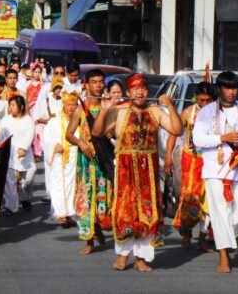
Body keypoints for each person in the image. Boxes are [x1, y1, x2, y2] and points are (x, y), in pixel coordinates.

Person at [92, 73, 183, 272]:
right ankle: (122, 256)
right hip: (125, 168)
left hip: (148, 171)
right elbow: (97, 133)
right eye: (135, 90)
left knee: (148, 212)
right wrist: (105, 110)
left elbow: (177, 130)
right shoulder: (119, 110)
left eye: (143, 89)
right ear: (128, 92)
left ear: (147, 91)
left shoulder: (156, 111)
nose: (140, 93)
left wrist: (170, 106)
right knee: (125, 211)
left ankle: (141, 258)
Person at [192, 71, 238, 273]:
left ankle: (228, 238)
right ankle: (223, 255)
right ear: (219, 89)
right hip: (215, 170)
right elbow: (198, 140)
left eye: (235, 88)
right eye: (227, 88)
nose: (231, 92)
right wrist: (223, 137)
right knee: (220, 213)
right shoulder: (207, 112)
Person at [64, 69, 113, 255]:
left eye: (101, 82)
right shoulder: (79, 109)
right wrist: (80, 142)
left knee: (104, 197)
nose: (98, 85)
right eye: (94, 81)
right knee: (85, 198)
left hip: (104, 161)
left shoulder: (109, 107)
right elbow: (69, 134)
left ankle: (100, 227)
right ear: (86, 84)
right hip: (86, 162)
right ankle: (89, 240)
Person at [168, 81, 214, 251]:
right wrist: (168, 157)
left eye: (208, 100)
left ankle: (202, 237)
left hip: (210, 161)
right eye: (201, 100)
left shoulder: (219, 114)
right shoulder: (189, 112)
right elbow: (174, 131)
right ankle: (187, 231)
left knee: (208, 199)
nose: (205, 104)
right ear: (196, 98)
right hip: (191, 160)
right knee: (189, 198)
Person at [42, 90, 79, 227]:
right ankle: (61, 214)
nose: (71, 107)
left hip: (75, 159)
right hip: (59, 158)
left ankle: (71, 213)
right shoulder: (54, 122)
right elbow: (46, 140)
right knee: (58, 186)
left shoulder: (80, 122)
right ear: (63, 105)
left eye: (74, 105)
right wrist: (54, 145)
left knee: (73, 186)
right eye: (68, 104)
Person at [0, 95, 36, 214]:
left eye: (13, 105)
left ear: (21, 107)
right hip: (10, 156)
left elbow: (30, 135)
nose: (10, 107)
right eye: (10, 105)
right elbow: (0, 136)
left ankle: (24, 198)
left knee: (28, 180)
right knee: (10, 183)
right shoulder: (5, 120)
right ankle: (11, 207)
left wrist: (23, 148)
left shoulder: (28, 120)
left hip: (25, 156)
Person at [26, 62, 45, 160]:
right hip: (30, 109)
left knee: (39, 131)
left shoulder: (43, 85)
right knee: (32, 130)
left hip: (39, 110)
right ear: (32, 72)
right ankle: (32, 151)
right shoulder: (27, 84)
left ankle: (38, 152)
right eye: (36, 72)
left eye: (39, 72)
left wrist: (42, 80)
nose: (37, 74)